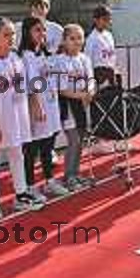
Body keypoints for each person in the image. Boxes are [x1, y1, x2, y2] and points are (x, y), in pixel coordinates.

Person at [0, 18, 45, 221]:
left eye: (13, 34)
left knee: (17, 156)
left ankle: (21, 195)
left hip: (16, 120)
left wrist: (32, 109)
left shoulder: (16, 58)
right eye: (6, 34)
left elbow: (23, 89)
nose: (11, 38)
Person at [19, 17, 69, 201]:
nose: (42, 34)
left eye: (43, 30)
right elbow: (31, 83)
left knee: (48, 145)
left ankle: (49, 181)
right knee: (32, 148)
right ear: (28, 33)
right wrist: (37, 105)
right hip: (37, 107)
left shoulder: (45, 54)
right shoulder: (26, 56)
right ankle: (29, 185)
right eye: (37, 30)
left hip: (51, 103)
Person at [55, 24, 96, 191]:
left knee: (81, 141)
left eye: (80, 38)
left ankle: (75, 173)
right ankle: (69, 176)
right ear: (64, 41)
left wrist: (91, 91)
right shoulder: (59, 61)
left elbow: (91, 79)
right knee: (74, 140)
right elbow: (62, 89)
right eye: (72, 38)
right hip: (69, 106)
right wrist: (82, 96)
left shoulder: (85, 58)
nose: (77, 42)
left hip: (83, 105)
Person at [85, 5, 121, 153]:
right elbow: (88, 61)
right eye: (104, 19)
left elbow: (112, 57)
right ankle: (98, 140)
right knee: (98, 108)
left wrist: (116, 72)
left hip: (110, 75)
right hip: (98, 76)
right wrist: (92, 81)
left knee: (111, 107)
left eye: (109, 19)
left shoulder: (109, 35)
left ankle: (112, 137)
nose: (108, 22)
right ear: (96, 20)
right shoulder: (91, 39)